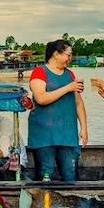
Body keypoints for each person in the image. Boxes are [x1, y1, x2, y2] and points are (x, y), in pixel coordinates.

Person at [27, 40, 88, 181]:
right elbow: (41, 98)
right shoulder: (39, 72)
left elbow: (78, 103)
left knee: (70, 174)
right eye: (68, 55)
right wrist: (68, 88)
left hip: (67, 133)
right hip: (44, 134)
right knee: (45, 172)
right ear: (56, 54)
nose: (70, 58)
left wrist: (84, 128)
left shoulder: (70, 74)